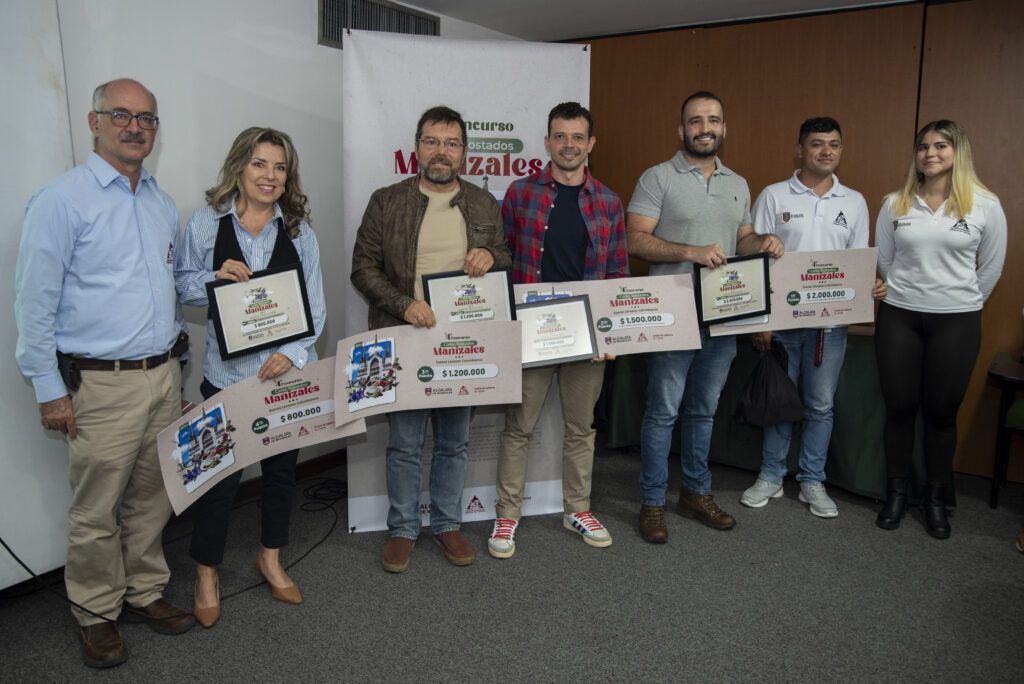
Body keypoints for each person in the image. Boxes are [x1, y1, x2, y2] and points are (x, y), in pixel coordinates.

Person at [14, 78, 193, 668]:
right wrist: (48, 390)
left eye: (146, 118)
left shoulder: (161, 203)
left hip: (162, 375)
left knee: (152, 496)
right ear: (95, 123)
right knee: (96, 509)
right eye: (121, 115)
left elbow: (167, 290)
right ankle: (95, 612)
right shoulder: (61, 201)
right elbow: (33, 304)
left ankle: (143, 592)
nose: (135, 127)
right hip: (100, 384)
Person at [175, 127, 326, 625]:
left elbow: (315, 311)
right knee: (219, 480)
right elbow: (181, 287)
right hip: (225, 377)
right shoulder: (204, 224)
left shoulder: (300, 233)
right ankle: (206, 572)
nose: (269, 176)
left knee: (282, 474)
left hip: (281, 380)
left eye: (279, 167)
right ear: (239, 166)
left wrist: (292, 355)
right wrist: (211, 278)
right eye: (260, 164)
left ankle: (270, 558)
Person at [351, 105, 511, 572]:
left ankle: (446, 523)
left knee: (454, 441)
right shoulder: (386, 200)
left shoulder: (483, 202)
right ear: (417, 147)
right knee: (404, 442)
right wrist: (404, 305)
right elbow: (362, 267)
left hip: (465, 339)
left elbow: (503, 254)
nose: (441, 152)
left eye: (452, 143)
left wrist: (489, 254)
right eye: (432, 141)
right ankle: (403, 527)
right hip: (406, 336)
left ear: (464, 152)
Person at [626, 91, 784, 544]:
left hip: (723, 315)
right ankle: (653, 502)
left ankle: (695, 492)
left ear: (724, 128)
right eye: (695, 121)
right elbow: (635, 239)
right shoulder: (658, 177)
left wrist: (764, 242)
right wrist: (688, 252)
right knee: (663, 413)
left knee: (703, 412)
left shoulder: (738, 182)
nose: (704, 127)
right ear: (681, 130)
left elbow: (743, 238)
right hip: (671, 314)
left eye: (713, 119)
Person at [488, 102, 629, 558]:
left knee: (581, 428)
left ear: (591, 144)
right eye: (560, 136)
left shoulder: (608, 201)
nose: (569, 145)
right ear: (547, 142)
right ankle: (507, 516)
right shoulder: (520, 193)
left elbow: (617, 274)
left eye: (577, 137)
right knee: (518, 427)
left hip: (586, 334)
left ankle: (577, 508)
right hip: (532, 330)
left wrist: (609, 336)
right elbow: (501, 260)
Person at [741, 117, 885, 517]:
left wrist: (866, 286)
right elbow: (757, 260)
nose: (826, 151)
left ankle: (811, 480)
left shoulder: (853, 201)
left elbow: (856, 263)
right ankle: (771, 476)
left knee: (821, 405)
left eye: (834, 145)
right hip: (783, 323)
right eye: (818, 144)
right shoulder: (773, 195)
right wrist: (763, 321)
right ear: (800, 149)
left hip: (830, 326)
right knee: (779, 400)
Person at [874, 120, 1006, 539]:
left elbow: (991, 268)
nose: (930, 153)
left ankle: (935, 498)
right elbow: (884, 260)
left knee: (941, 414)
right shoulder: (895, 203)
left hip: (957, 322)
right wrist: (907, 292)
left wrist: (957, 300)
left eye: (941, 146)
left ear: (958, 153)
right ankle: (895, 494)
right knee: (898, 410)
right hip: (900, 317)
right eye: (923, 146)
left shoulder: (985, 205)